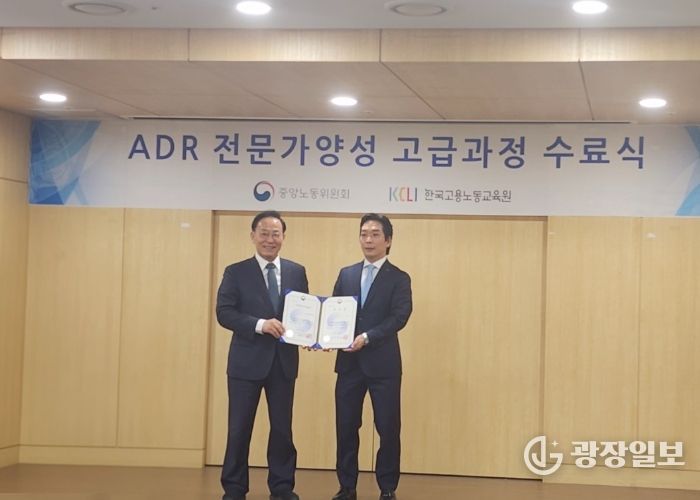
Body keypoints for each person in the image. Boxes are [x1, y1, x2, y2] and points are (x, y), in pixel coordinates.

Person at [216, 210, 308, 500]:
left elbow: (303, 314)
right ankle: (234, 488)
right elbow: (224, 313)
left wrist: (311, 336)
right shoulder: (235, 271)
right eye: (264, 233)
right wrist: (259, 324)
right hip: (246, 364)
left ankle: (282, 487)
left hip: (283, 363)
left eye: (275, 234)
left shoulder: (297, 271)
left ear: (283, 237)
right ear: (253, 236)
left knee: (282, 429)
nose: (270, 239)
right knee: (239, 429)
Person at [330, 213, 413, 500]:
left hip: (383, 365)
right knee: (345, 426)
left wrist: (367, 337)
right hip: (349, 364)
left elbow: (400, 317)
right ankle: (346, 486)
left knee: (388, 428)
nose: (368, 239)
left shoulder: (399, 278)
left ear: (388, 240)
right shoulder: (347, 274)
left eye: (375, 234)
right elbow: (334, 312)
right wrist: (325, 337)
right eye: (364, 233)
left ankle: (387, 487)